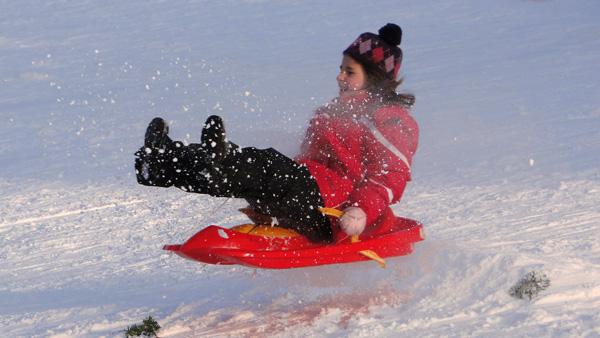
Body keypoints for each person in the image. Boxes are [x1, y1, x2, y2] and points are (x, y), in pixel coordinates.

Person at [134, 23, 418, 244]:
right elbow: (309, 158)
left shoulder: (388, 119)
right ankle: (164, 164)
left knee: (266, 165)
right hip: (308, 192)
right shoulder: (330, 113)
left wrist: (360, 212)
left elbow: (390, 176)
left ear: (374, 79)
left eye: (349, 72)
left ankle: (216, 164)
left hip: (333, 212)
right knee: (249, 169)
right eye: (340, 70)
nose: (339, 77)